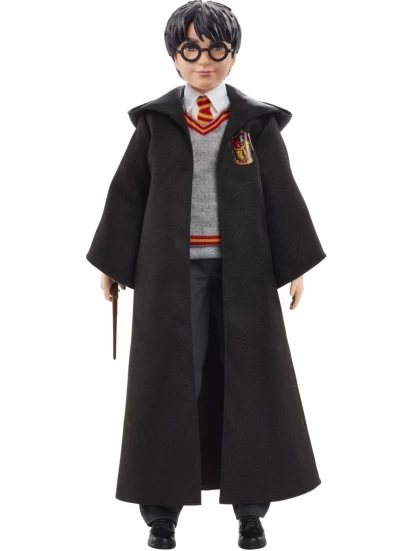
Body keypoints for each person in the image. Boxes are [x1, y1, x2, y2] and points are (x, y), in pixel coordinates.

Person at [87, 1, 326, 549]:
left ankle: (251, 510)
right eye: (190, 49)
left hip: (245, 271)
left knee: (249, 380)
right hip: (169, 274)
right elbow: (129, 194)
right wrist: (112, 264)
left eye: (217, 49)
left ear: (233, 55)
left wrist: (293, 263)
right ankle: (161, 512)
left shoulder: (254, 124)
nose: (204, 61)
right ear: (174, 56)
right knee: (169, 381)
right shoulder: (156, 123)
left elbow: (281, 192)